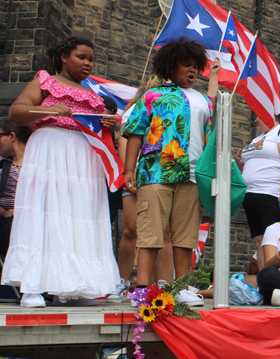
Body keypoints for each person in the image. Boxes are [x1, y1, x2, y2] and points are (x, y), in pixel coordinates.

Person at [1, 37, 120, 307]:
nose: (88, 63)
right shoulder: (45, 80)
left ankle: (78, 287)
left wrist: (107, 125)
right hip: (51, 148)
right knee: (45, 211)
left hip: (83, 156)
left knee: (80, 214)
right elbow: (16, 112)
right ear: (64, 57)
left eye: (91, 59)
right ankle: (33, 286)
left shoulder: (92, 93)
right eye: (82, 57)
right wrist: (46, 109)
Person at [122, 37, 220, 306]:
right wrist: (129, 169)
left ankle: (181, 288)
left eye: (195, 66)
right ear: (170, 66)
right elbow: (135, 132)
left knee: (185, 236)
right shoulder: (152, 96)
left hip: (191, 175)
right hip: (156, 172)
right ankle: (142, 288)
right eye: (185, 65)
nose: (191, 70)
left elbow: (210, 138)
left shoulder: (204, 101)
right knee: (151, 232)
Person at [107, 76, 175, 303]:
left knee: (164, 233)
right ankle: (123, 282)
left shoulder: (175, 106)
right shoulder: (135, 108)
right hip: (138, 174)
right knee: (131, 229)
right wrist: (131, 174)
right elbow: (124, 143)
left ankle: (163, 287)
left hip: (163, 175)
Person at [233, 108, 280, 271]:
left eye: (258, 115)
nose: (255, 119)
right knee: (259, 241)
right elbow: (251, 166)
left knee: (274, 240)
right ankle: (265, 282)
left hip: (270, 194)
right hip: (250, 195)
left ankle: (279, 281)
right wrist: (238, 162)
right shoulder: (258, 138)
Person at [0, 121, 32, 257]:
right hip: (5, 220)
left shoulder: (39, 164)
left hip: (29, 219)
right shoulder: (2, 164)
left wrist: (21, 209)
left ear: (12, 136)